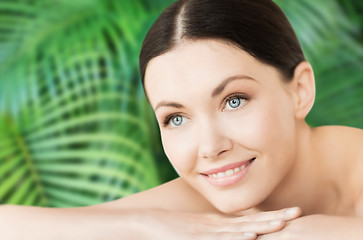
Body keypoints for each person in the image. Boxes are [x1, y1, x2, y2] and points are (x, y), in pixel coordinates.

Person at [1, 0, 362, 239]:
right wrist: (144, 223)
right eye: (175, 118)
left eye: (234, 101)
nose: (210, 147)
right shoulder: (215, 193)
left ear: (299, 90)